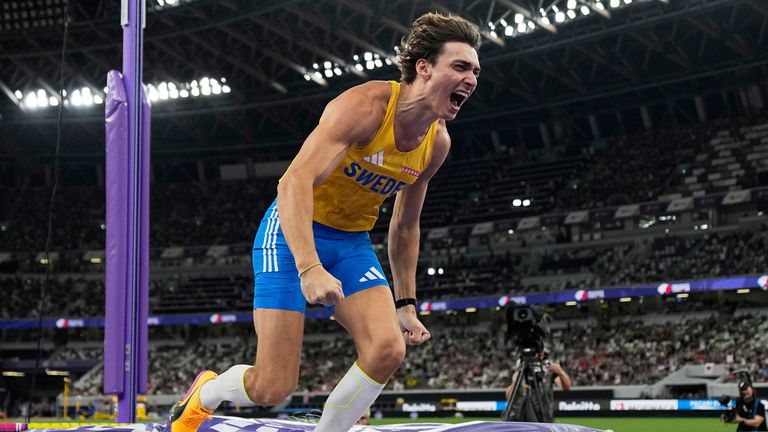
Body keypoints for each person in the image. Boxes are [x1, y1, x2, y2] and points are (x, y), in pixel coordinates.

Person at [166, 12, 481, 432]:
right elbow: (293, 181)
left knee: (387, 348)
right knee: (272, 387)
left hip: (351, 242)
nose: (472, 79)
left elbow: (406, 226)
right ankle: (206, 392)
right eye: (460, 67)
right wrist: (309, 266)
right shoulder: (366, 107)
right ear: (423, 67)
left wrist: (406, 304)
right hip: (292, 230)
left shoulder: (436, 143)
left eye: (476, 71)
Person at [504, 351, 571, 423]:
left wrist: (560, 372)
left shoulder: (547, 370)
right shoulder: (521, 370)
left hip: (543, 415)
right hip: (522, 416)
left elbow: (567, 387)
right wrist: (515, 382)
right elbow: (509, 397)